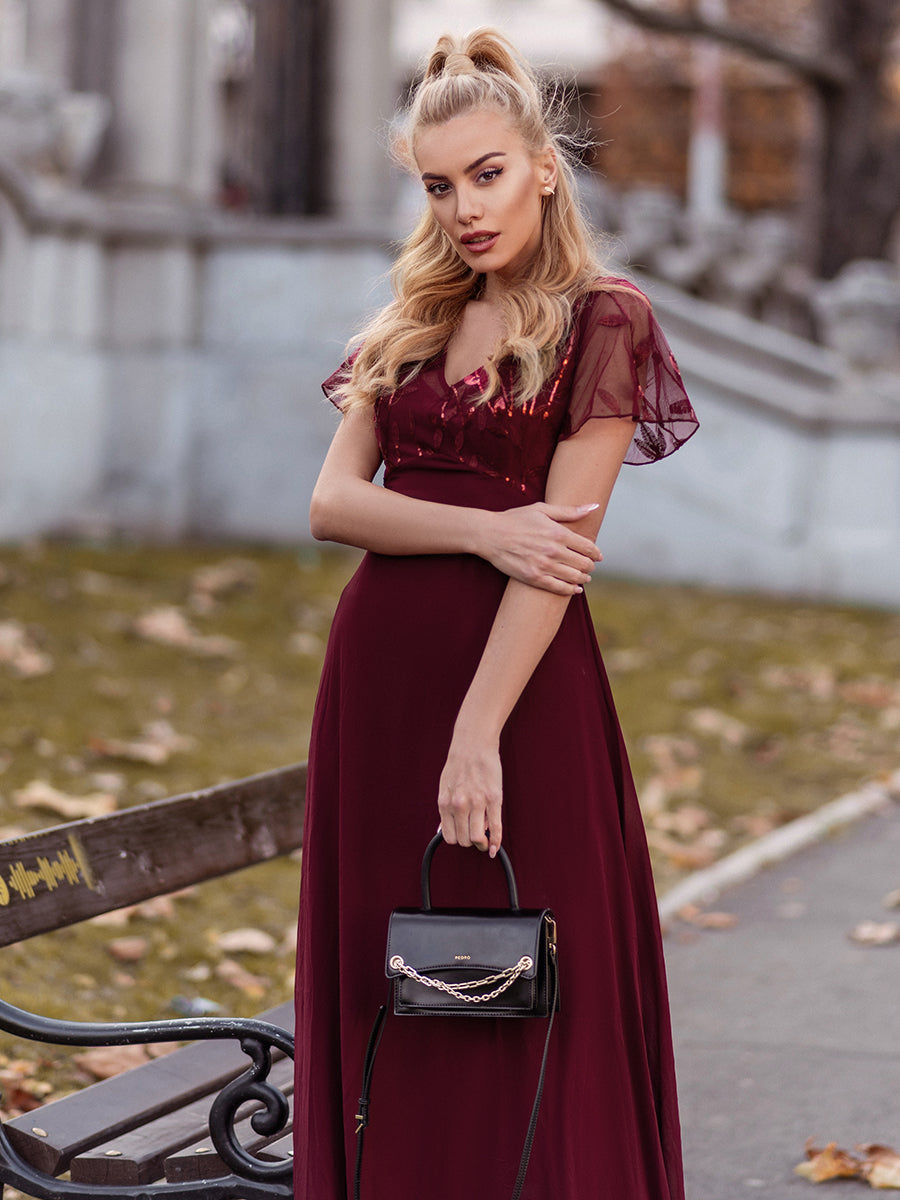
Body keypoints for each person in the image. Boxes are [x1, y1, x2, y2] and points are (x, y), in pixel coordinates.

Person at [292, 27, 698, 1200]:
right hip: (379, 690)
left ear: (543, 167)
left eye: (487, 174)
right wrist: (480, 523)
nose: (465, 208)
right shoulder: (411, 319)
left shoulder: (604, 320)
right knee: (394, 983)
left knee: (533, 982)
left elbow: (556, 559)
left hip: (520, 693)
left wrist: (479, 735)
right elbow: (329, 506)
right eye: (437, 183)